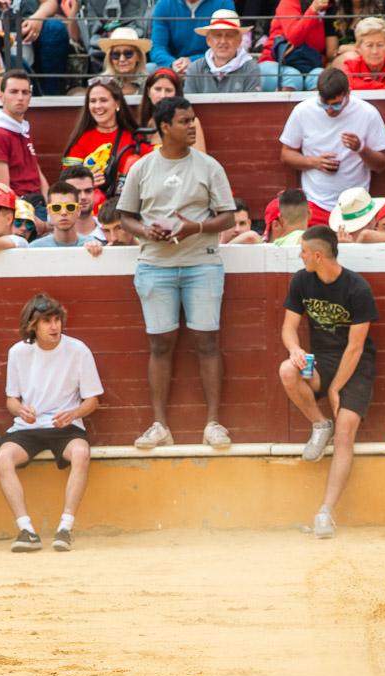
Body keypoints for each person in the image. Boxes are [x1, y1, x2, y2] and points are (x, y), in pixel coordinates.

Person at [118, 96, 237, 450]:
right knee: (160, 343)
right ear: (164, 126)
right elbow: (125, 217)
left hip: (202, 260)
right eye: (185, 121)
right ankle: (159, 425)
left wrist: (195, 228)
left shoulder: (208, 165)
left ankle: (214, 423)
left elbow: (228, 216)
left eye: (193, 120)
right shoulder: (142, 167)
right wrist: (145, 232)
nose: (192, 126)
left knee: (207, 341)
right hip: (155, 262)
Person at [277, 225, 379, 539]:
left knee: (346, 430)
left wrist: (336, 388)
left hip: (356, 364)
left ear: (318, 255)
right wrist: (295, 350)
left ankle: (325, 511)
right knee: (286, 370)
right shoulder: (301, 280)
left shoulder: (357, 288)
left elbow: (355, 347)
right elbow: (288, 327)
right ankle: (320, 425)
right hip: (320, 359)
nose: (300, 255)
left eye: (304, 251)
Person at [0, 294, 103, 553]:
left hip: (65, 425)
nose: (54, 327)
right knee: (2, 458)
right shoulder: (18, 352)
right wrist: (20, 410)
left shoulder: (78, 349)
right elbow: (11, 399)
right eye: (46, 321)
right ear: (32, 326)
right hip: (27, 427)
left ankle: (66, 527)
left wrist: (74, 414)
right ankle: (26, 529)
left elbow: (93, 400)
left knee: (81, 452)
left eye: (57, 320)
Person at [279, 68, 385, 227]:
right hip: (315, 204)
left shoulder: (368, 113)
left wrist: (360, 148)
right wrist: (313, 162)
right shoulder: (303, 111)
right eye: (324, 105)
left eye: (336, 105)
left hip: (356, 207)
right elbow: (286, 154)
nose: (330, 110)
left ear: (348, 94)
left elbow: (381, 165)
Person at [61, 80, 144, 195]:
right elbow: (66, 184)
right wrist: (87, 183)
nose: (97, 106)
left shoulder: (135, 137)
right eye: (93, 101)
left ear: (117, 103)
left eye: (103, 100)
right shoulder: (80, 140)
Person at [0, 69, 48, 201]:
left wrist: (50, 202)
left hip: (37, 201)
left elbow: (36, 169)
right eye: (14, 92)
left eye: (25, 92)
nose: (20, 97)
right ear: (1, 96)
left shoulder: (21, 128)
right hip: (20, 205)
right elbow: (4, 190)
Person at [150, 0, 237, 76]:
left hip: (210, 65)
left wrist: (192, 62)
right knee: (150, 68)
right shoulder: (164, 4)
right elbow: (157, 47)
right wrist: (173, 64)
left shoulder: (223, 3)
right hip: (173, 67)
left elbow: (226, 47)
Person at [259, 0, 329, 91]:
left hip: (306, 66)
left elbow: (320, 47)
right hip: (274, 62)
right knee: (293, 77)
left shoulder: (325, 8)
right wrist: (313, 10)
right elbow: (294, 37)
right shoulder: (288, 2)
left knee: (320, 76)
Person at [188, 10, 262, 93]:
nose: (223, 41)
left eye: (229, 35)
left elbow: (251, 105)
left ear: (239, 40)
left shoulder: (250, 68)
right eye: (218, 35)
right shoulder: (194, 68)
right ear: (208, 40)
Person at [138, 69, 209, 153]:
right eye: (158, 89)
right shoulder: (141, 122)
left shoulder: (191, 122)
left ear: (177, 94)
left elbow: (200, 160)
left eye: (168, 90)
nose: (162, 95)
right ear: (148, 92)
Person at [30, 183, 105, 254]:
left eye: (70, 207)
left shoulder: (93, 246)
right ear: (49, 211)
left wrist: (98, 251)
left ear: (78, 210)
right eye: (56, 207)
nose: (63, 213)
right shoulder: (34, 249)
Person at [342, 17, 385, 89]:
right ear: (358, 47)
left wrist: (364, 86)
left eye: (380, 45)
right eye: (369, 45)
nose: (375, 51)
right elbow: (350, 84)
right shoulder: (350, 66)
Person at [91, 27, 150, 96]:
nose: (122, 59)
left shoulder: (149, 83)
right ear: (110, 58)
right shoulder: (98, 83)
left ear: (139, 56)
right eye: (116, 54)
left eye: (128, 53)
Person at [57, 165, 104, 239]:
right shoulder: (49, 241)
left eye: (88, 191)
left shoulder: (113, 234)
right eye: (76, 192)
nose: (83, 197)